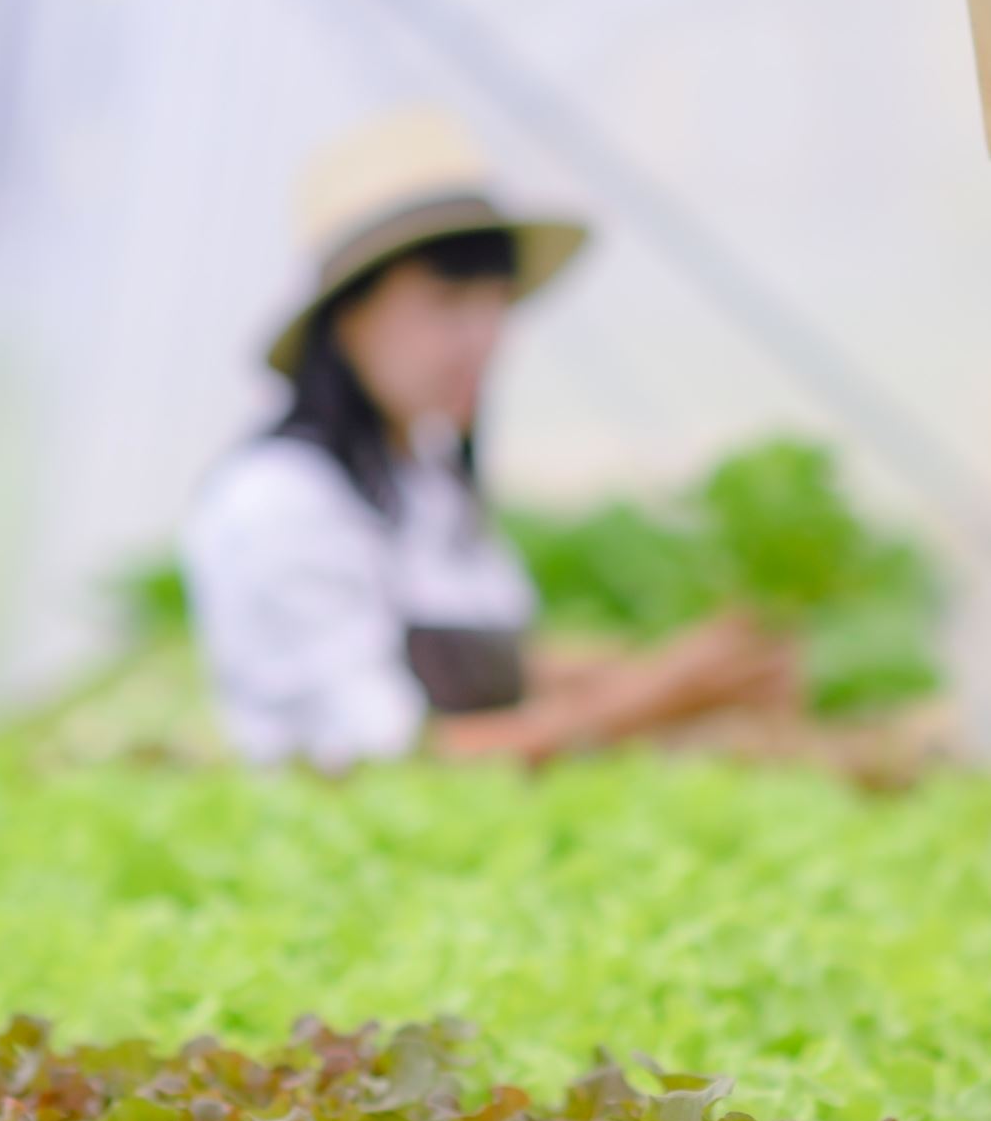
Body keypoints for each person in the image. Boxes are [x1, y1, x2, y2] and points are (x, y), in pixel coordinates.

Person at [181, 108, 794, 766]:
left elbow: (480, 665)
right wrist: (651, 699)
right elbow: (392, 763)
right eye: (447, 304)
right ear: (350, 317)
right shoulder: (281, 503)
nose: (485, 340)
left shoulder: (421, 473)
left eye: (495, 302)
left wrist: (662, 670)